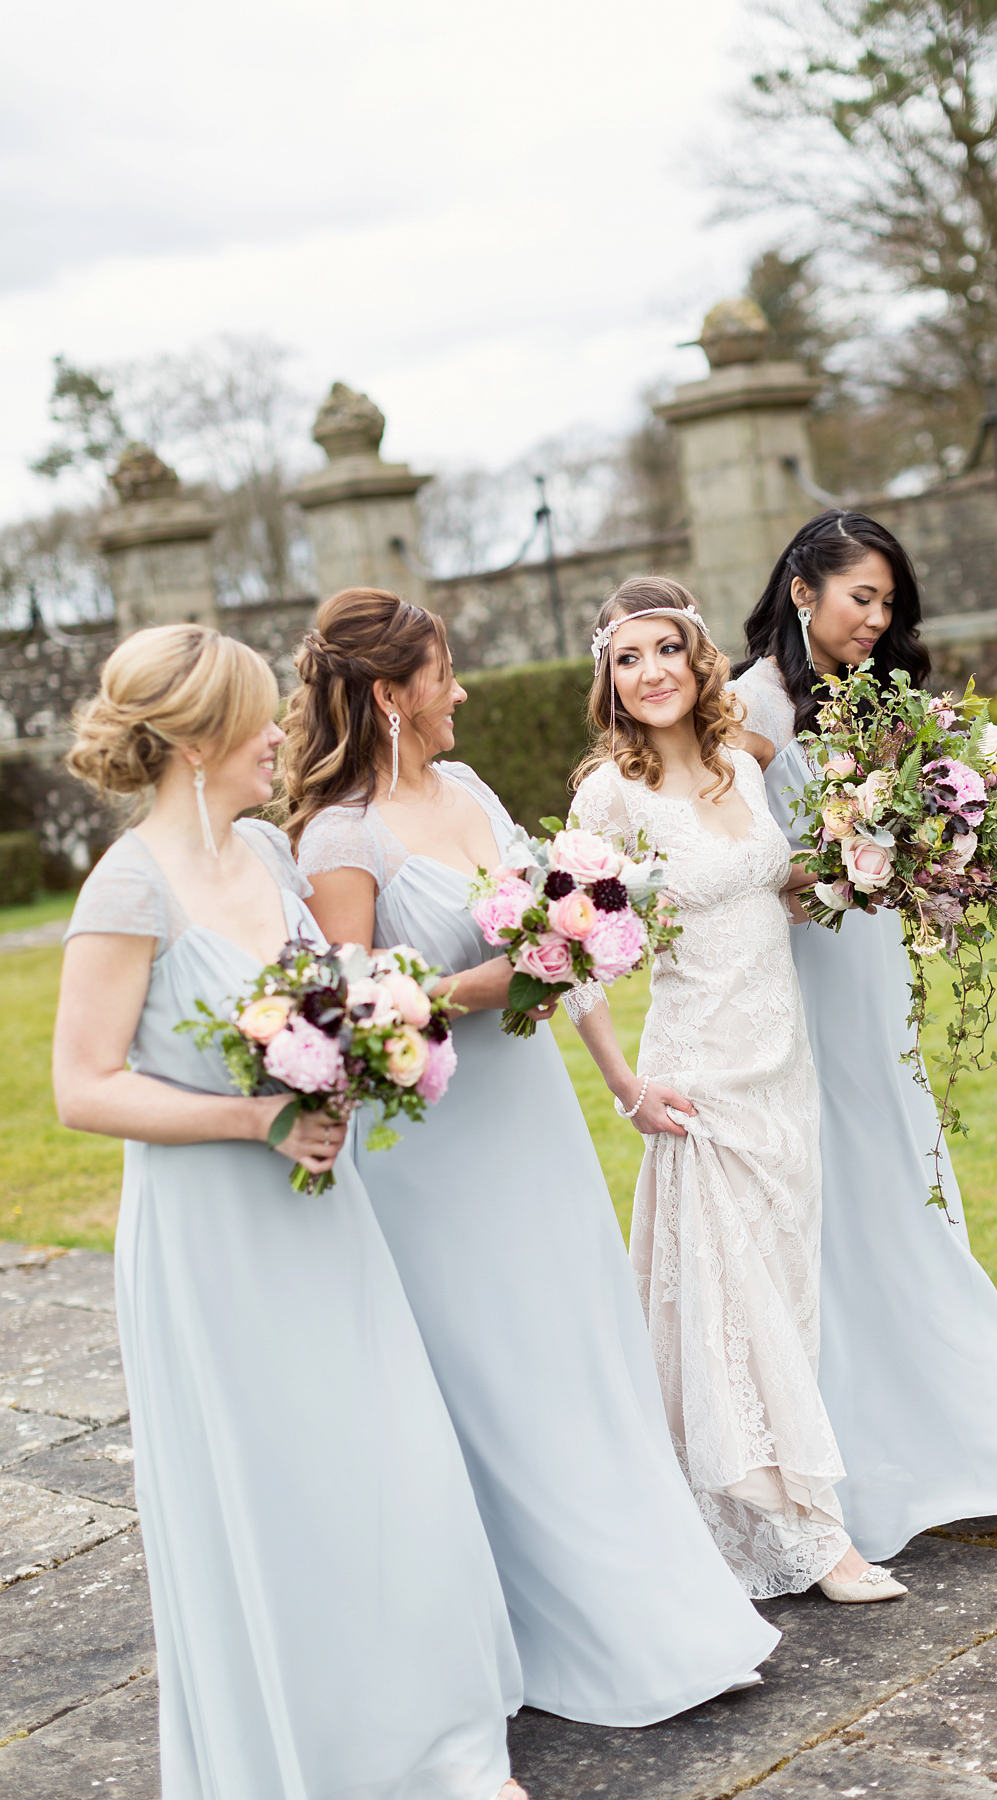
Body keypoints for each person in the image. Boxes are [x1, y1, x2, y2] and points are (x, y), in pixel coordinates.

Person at [282, 587, 780, 1729]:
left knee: (585, 1348)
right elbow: (352, 1014)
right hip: (437, 1151)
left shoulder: (464, 787)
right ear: (386, 697)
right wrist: (486, 984)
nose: (458, 692)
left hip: (533, 1117)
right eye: (442, 675)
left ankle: (663, 1610)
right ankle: (565, 1634)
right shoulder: (339, 839)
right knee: (503, 1377)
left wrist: (618, 1078)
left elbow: (564, 925)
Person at [53, 623, 527, 1800]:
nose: (281, 734)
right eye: (260, 717)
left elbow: (337, 990)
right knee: (281, 1490)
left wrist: (373, 1038)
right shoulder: (128, 884)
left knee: (389, 1465)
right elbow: (81, 1088)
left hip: (326, 1211)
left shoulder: (267, 852)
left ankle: (443, 1747)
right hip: (216, 1238)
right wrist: (253, 1120)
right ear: (201, 736)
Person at [729, 508, 997, 1561]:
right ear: (803, 590)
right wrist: (836, 864)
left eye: (889, 604)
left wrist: (937, 863)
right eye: (861, 599)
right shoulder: (751, 708)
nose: (878, 621)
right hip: (799, 985)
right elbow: (742, 868)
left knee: (904, 1173)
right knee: (840, 1190)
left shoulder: (878, 699)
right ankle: (854, 1459)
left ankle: (963, 1441)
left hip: (873, 974)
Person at [566, 575, 907, 1606]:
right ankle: (814, 1539)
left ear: (697, 657)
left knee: (781, 1293)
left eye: (665, 650)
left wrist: (876, 858)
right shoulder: (607, 797)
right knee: (732, 1300)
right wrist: (627, 1083)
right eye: (628, 659)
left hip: (781, 1068)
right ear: (609, 680)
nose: (651, 672)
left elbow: (775, 889)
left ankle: (722, 1520)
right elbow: (568, 953)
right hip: (697, 1075)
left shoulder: (736, 763)